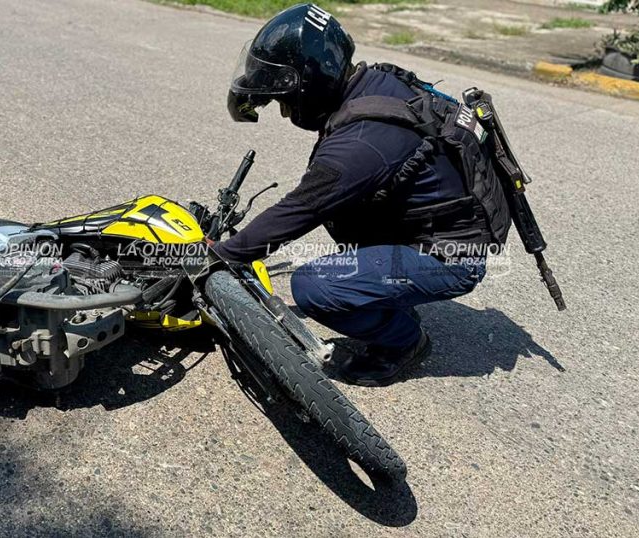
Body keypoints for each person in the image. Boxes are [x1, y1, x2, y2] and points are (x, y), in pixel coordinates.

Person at [214, 3, 511, 387]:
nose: (286, 113)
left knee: (315, 286)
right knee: (346, 222)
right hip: (440, 228)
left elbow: (300, 209)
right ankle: (388, 292)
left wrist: (224, 254)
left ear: (311, 83)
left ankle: (404, 342)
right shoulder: (372, 82)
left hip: (453, 256)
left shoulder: (360, 143)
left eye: (285, 101)